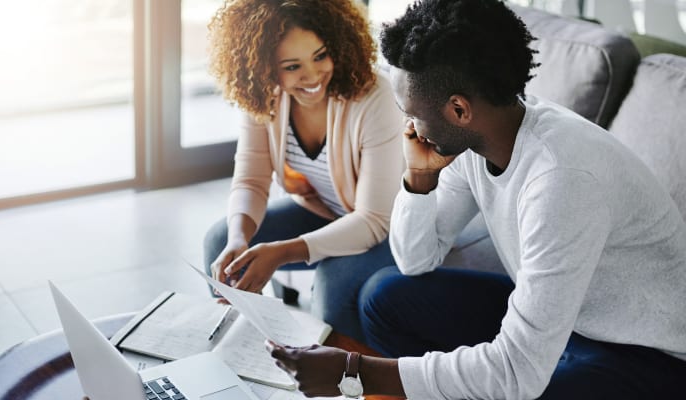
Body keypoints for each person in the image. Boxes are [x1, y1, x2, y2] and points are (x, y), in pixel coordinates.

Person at [267, 0, 686, 398]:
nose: (408, 127)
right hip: (569, 322)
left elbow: (519, 372)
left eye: (411, 111)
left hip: (645, 354)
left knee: (519, 389)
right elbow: (416, 260)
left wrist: (353, 371)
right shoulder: (478, 139)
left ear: (459, 110)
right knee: (385, 297)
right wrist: (418, 178)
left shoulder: (561, 178)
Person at [202, 0, 404, 341]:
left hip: (392, 227)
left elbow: (374, 219)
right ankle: (243, 353)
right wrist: (239, 237)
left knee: (333, 281)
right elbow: (251, 180)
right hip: (330, 212)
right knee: (220, 240)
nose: (312, 76)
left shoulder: (375, 96)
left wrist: (282, 252)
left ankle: (338, 384)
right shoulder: (264, 96)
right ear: (264, 68)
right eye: (292, 66)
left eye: (321, 55)